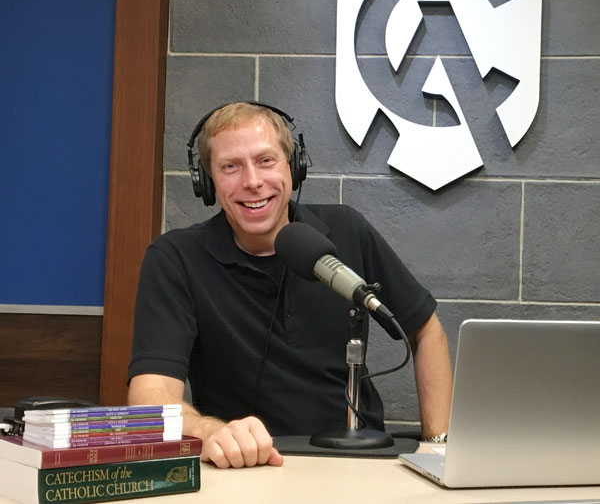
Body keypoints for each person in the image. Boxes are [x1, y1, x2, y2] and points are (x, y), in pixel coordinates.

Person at [128, 101, 453, 469]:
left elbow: (426, 331)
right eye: (231, 166)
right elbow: (149, 398)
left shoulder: (347, 230)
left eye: (266, 160)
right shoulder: (175, 258)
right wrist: (210, 432)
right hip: (247, 468)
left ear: (294, 166)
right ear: (207, 181)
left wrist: (438, 448)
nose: (252, 182)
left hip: (359, 466)